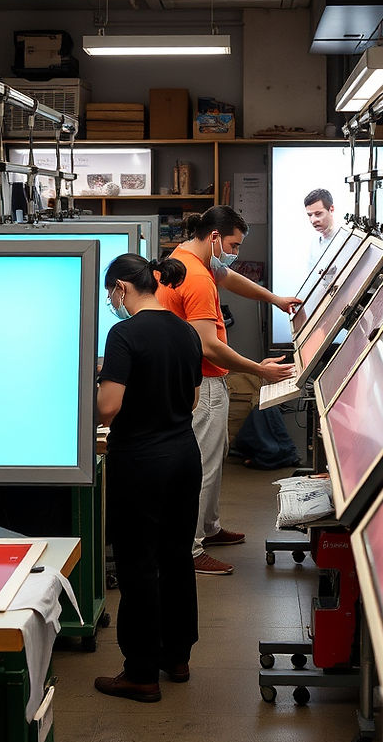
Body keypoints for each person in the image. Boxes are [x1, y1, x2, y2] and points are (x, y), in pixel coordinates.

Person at [157, 206, 300, 575]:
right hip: (201, 383)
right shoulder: (197, 278)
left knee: (213, 459)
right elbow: (208, 344)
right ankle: (190, 548)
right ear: (216, 237)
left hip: (199, 380)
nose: (235, 253)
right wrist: (258, 370)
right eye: (234, 245)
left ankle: (209, 527)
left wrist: (275, 299)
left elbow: (230, 277)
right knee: (201, 468)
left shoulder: (189, 258)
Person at [95, 253, 204, 704]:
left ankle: (141, 671)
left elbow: (108, 408)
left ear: (122, 286)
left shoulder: (124, 334)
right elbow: (194, 399)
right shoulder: (184, 330)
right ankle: (176, 657)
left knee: (139, 563)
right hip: (183, 456)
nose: (111, 302)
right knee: (177, 556)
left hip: (140, 461)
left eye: (109, 293)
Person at [305, 188, 337, 270]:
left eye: (318, 214)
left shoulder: (344, 241)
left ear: (331, 209)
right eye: (310, 215)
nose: (313, 220)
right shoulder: (315, 242)